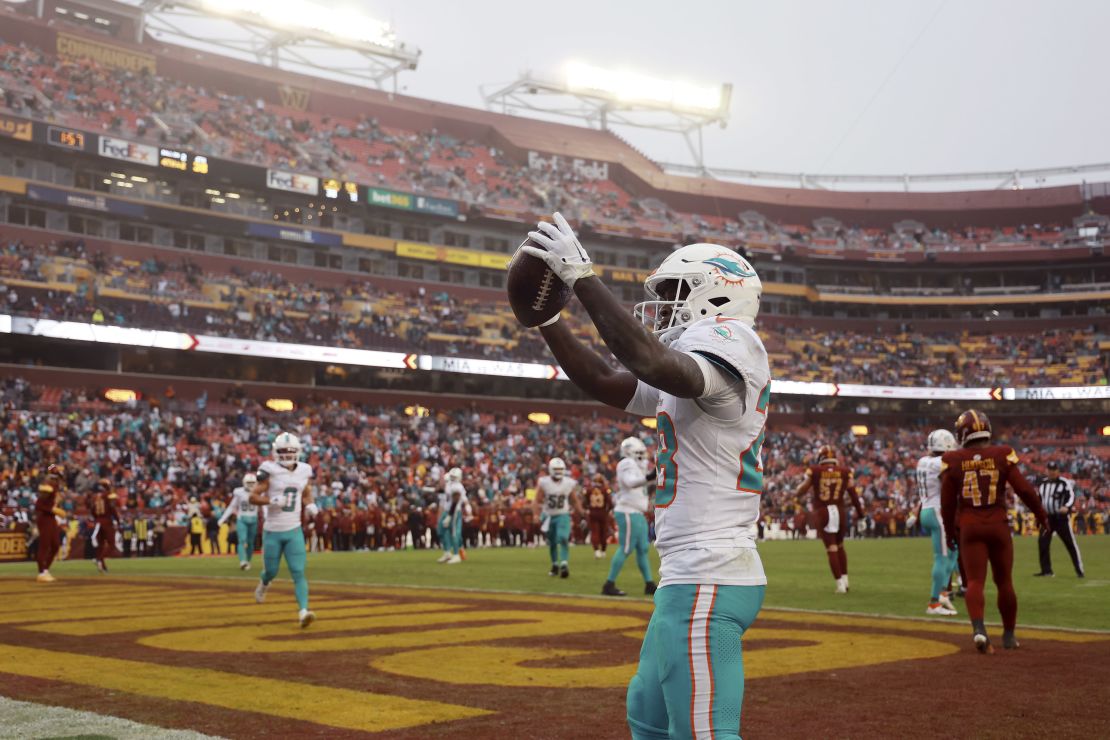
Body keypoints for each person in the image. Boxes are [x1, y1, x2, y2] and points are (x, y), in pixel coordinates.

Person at [523, 214, 769, 739]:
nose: (664, 306)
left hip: (711, 570)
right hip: (689, 573)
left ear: (717, 296)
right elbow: (610, 380)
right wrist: (549, 325)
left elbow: (653, 364)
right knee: (649, 715)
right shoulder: (697, 360)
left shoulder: (731, 340)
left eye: (676, 291)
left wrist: (584, 278)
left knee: (705, 732)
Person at [940, 409, 1048, 653]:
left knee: (976, 581)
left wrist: (949, 532)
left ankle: (979, 630)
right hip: (998, 524)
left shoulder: (952, 459)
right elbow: (1025, 491)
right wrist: (1041, 515)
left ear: (962, 433)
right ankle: (1009, 635)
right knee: (1004, 582)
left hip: (970, 525)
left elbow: (947, 505)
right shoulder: (1002, 454)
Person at [249, 432, 318, 628]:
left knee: (298, 571)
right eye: (283, 452)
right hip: (273, 530)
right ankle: (264, 583)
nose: (287, 455)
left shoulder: (304, 470)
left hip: (294, 529)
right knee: (271, 571)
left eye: (291, 451)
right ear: (275, 452)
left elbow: (305, 492)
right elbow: (252, 497)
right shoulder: (268, 470)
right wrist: (271, 500)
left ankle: (303, 611)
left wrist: (310, 504)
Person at [792, 445, 864, 594]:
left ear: (821, 458)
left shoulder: (815, 470)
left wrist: (797, 492)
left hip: (823, 511)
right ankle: (845, 580)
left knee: (831, 548)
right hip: (839, 510)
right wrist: (861, 515)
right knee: (840, 546)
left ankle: (840, 585)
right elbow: (853, 495)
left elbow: (803, 488)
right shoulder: (845, 472)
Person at [907, 429, 960, 616]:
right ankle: (934, 602)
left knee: (954, 550)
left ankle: (943, 593)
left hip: (927, 510)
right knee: (942, 557)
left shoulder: (923, 461)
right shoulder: (941, 462)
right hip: (938, 511)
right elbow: (951, 483)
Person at [603, 437, 657, 597]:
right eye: (638, 453)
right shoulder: (626, 463)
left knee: (642, 549)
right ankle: (609, 584)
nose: (641, 456)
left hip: (637, 512)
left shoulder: (637, 466)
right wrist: (651, 476)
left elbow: (643, 483)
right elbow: (631, 482)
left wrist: (654, 476)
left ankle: (649, 584)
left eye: (642, 453)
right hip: (627, 510)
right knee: (626, 548)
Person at [1034, 461, 1085, 578]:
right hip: (1047, 519)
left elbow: (1071, 496)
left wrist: (1066, 506)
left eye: (1054, 469)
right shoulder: (1043, 484)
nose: (1051, 472)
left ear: (1058, 471)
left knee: (1070, 544)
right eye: (1049, 469)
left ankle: (1079, 570)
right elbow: (1039, 499)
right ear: (1047, 470)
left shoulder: (1064, 483)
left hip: (1060, 519)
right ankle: (1046, 571)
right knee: (1043, 543)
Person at [534, 457, 582, 578]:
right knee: (553, 542)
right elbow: (537, 500)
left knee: (563, 538)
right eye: (556, 469)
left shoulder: (568, 482)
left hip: (563, 514)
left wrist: (581, 512)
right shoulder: (544, 482)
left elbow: (574, 500)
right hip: (549, 515)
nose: (558, 471)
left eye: (560, 469)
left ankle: (564, 564)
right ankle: (555, 564)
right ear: (550, 469)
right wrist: (536, 514)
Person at [219, 473, 260, 571]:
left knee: (250, 543)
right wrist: (222, 519)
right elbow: (232, 506)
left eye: (252, 483)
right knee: (242, 540)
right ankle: (242, 561)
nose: (250, 485)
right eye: (248, 482)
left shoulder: (259, 492)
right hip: (242, 518)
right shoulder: (239, 492)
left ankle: (248, 561)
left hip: (254, 519)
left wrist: (267, 517)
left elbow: (265, 506)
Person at [34, 465, 65, 583]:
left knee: (56, 544)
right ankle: (41, 572)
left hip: (51, 518)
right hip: (45, 518)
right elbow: (38, 505)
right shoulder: (48, 487)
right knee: (45, 545)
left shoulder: (54, 487)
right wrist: (53, 510)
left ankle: (45, 569)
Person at [437, 468, 467, 564]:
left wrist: (449, 516)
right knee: (441, 530)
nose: (453, 478)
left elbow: (455, 501)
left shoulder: (458, 486)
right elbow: (441, 491)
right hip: (447, 510)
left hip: (454, 512)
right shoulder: (450, 484)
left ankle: (456, 554)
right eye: (452, 476)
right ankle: (447, 553)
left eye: (454, 477)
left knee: (455, 533)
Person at [89, 480, 119, 573]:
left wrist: (96, 519)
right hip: (107, 521)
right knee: (111, 544)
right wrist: (118, 520)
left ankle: (102, 565)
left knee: (100, 545)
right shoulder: (109, 495)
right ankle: (99, 559)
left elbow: (92, 510)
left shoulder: (95, 497)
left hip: (98, 521)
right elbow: (112, 508)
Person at [585, 473, 613, 559]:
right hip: (603, 513)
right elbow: (610, 503)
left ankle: (597, 551)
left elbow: (585, 502)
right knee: (603, 532)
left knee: (595, 532)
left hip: (593, 513)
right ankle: (603, 551)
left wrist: (588, 509)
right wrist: (607, 511)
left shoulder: (589, 490)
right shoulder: (605, 489)